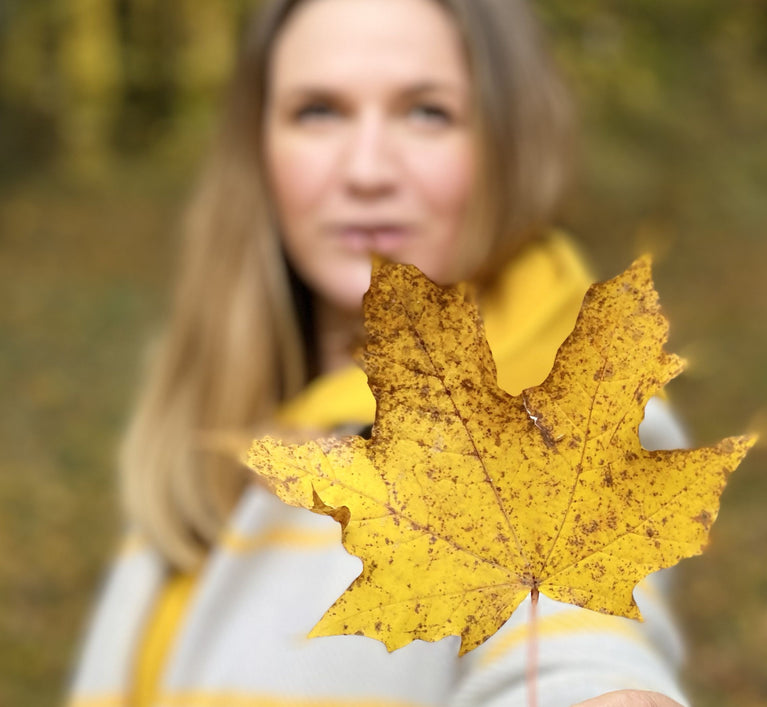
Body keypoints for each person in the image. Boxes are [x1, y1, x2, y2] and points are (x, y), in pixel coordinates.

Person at [68, 1, 691, 705]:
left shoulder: (553, 412)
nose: (366, 170)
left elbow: (574, 647)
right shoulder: (221, 403)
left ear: (509, 143)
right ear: (260, 147)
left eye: (427, 113)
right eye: (319, 112)